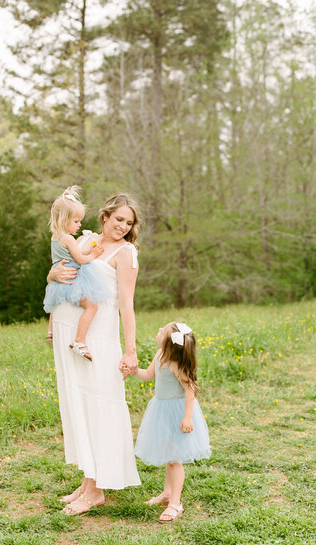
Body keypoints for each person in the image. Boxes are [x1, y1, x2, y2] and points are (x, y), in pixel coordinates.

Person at [47, 193, 142, 515]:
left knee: (98, 403)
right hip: (69, 335)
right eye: (119, 220)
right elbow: (61, 269)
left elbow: (127, 305)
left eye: (129, 223)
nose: (123, 227)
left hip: (99, 338)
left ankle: (97, 489)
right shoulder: (84, 239)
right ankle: (89, 480)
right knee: (79, 405)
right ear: (105, 216)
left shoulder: (126, 253)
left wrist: (131, 350)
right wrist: (51, 276)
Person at [122, 322, 211, 522]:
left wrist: (188, 416)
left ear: (170, 344)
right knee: (170, 456)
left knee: (175, 459)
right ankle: (167, 493)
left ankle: (176, 503)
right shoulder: (160, 355)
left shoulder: (175, 365)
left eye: (163, 331)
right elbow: (148, 375)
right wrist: (134, 372)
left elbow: (190, 390)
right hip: (161, 411)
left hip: (177, 414)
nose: (159, 330)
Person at [43, 186, 109, 361]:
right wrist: (93, 254)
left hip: (59, 278)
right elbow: (79, 259)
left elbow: (71, 254)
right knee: (92, 306)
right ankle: (80, 341)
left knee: (54, 301)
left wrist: (87, 247)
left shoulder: (55, 237)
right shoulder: (68, 238)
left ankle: (50, 332)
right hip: (72, 277)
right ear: (64, 219)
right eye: (76, 221)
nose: (80, 224)